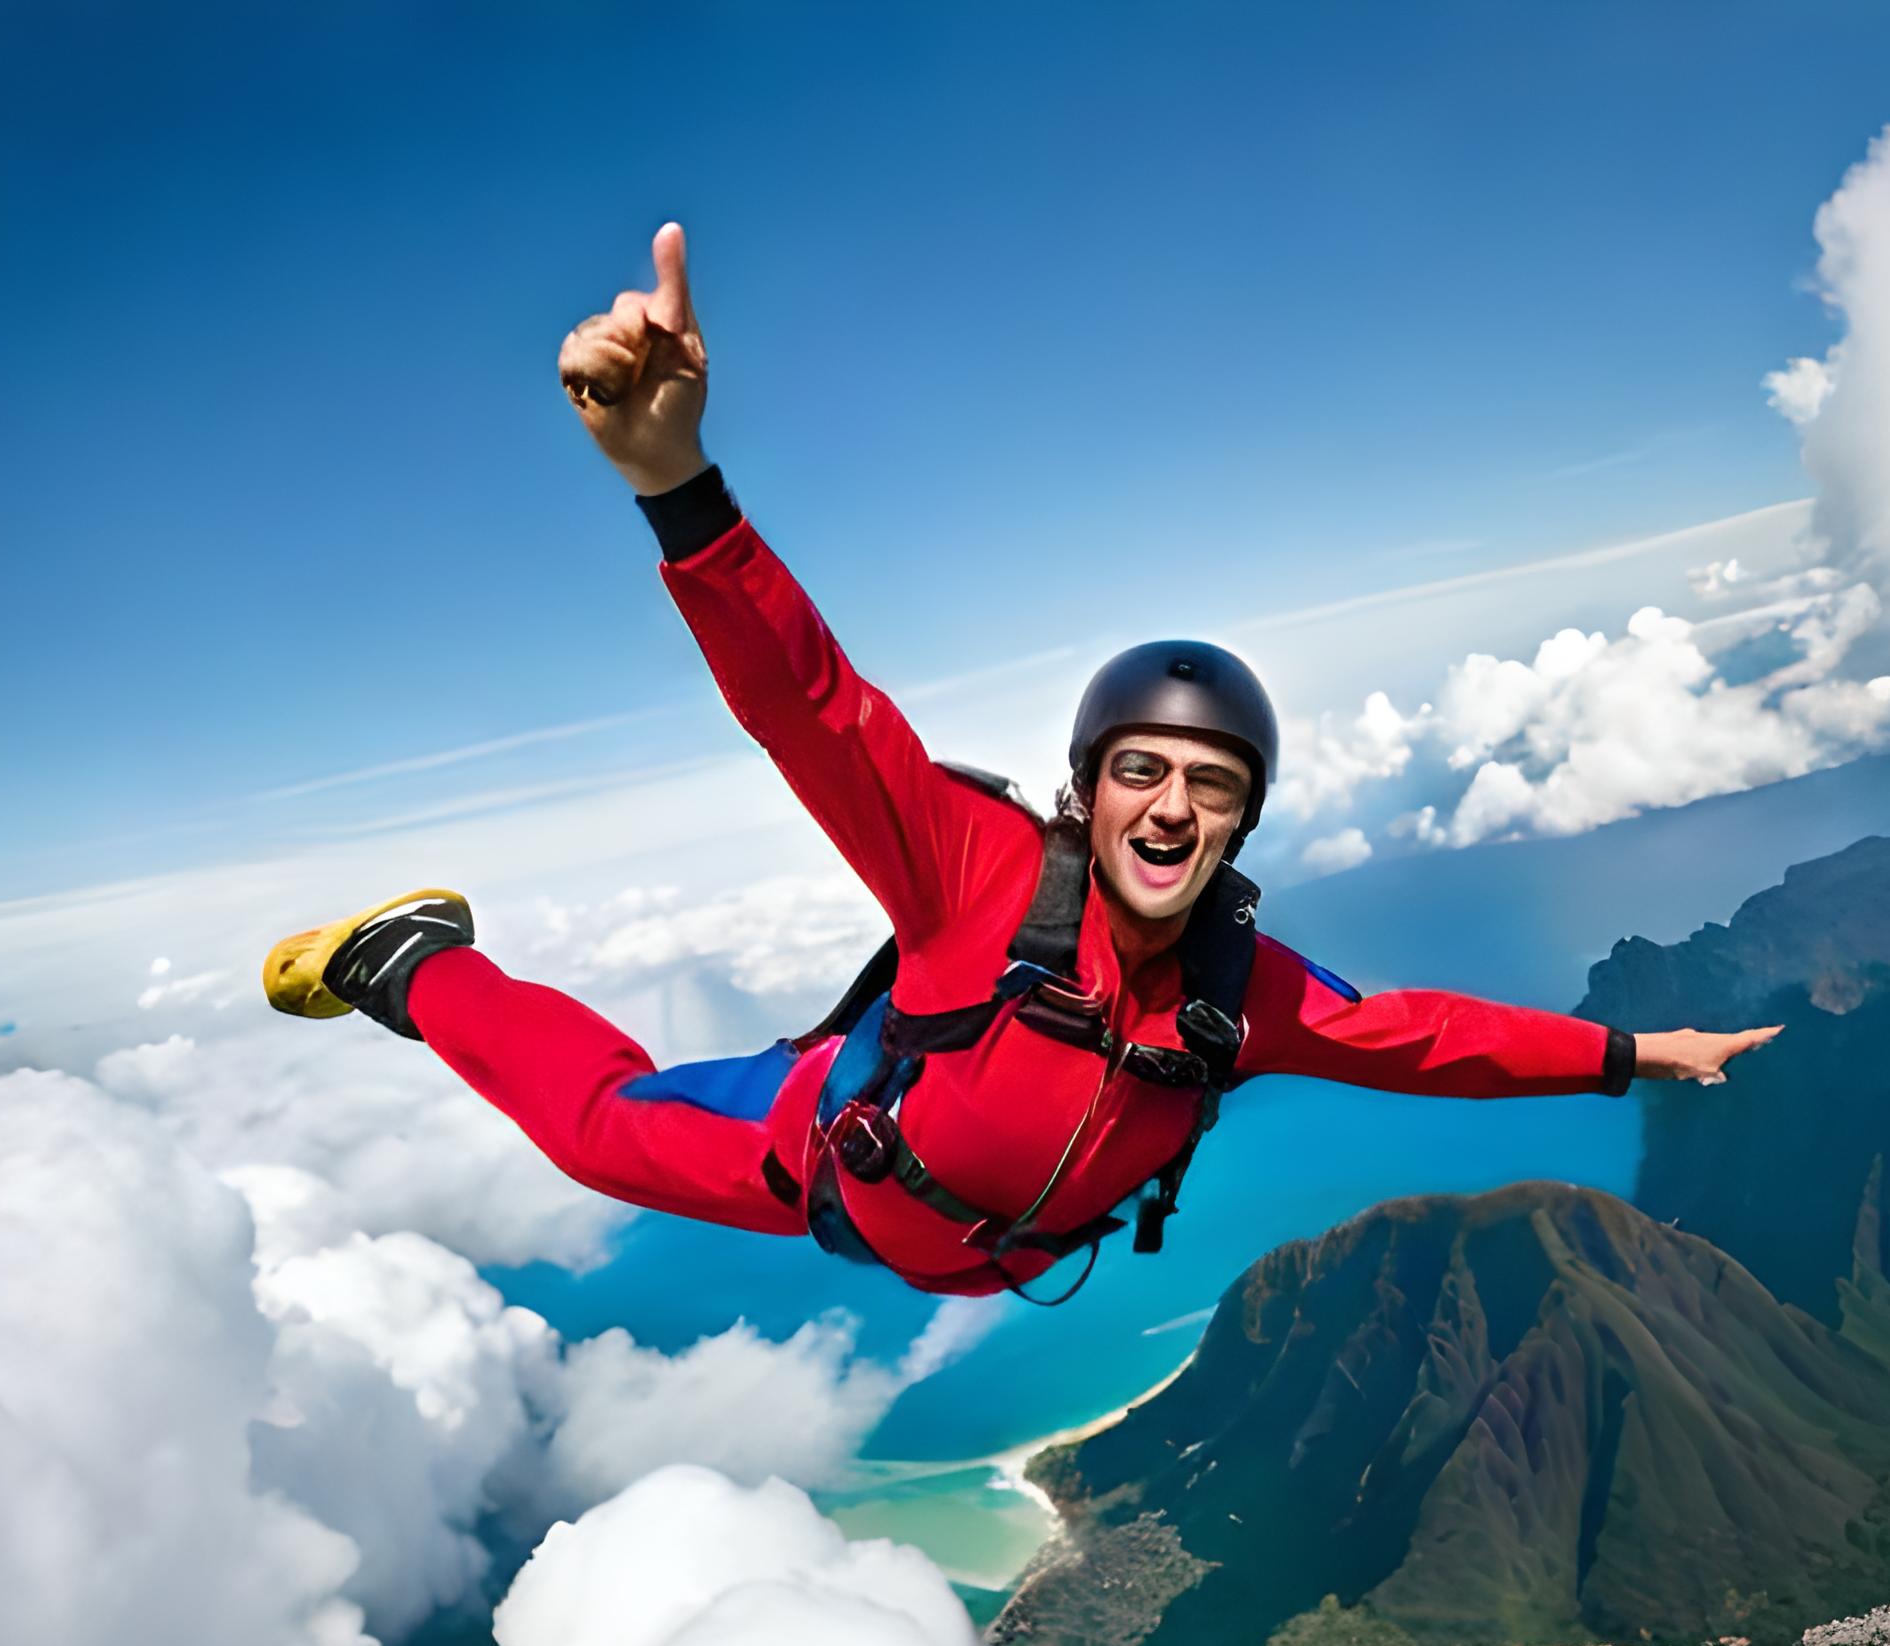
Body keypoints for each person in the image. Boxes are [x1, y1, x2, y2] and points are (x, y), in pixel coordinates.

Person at [263, 225, 1782, 1302]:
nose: (1173, 804)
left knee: (615, 1138)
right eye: (1142, 771)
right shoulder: (971, 873)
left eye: (1213, 784)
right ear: (1086, 789)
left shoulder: (1236, 997)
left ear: (1244, 819)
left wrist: (1635, 1056)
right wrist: (679, 490)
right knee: (599, 1131)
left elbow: (1421, 1038)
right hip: (816, 1171)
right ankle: (411, 963)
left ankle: (421, 968)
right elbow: (815, 707)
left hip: (976, 1253)